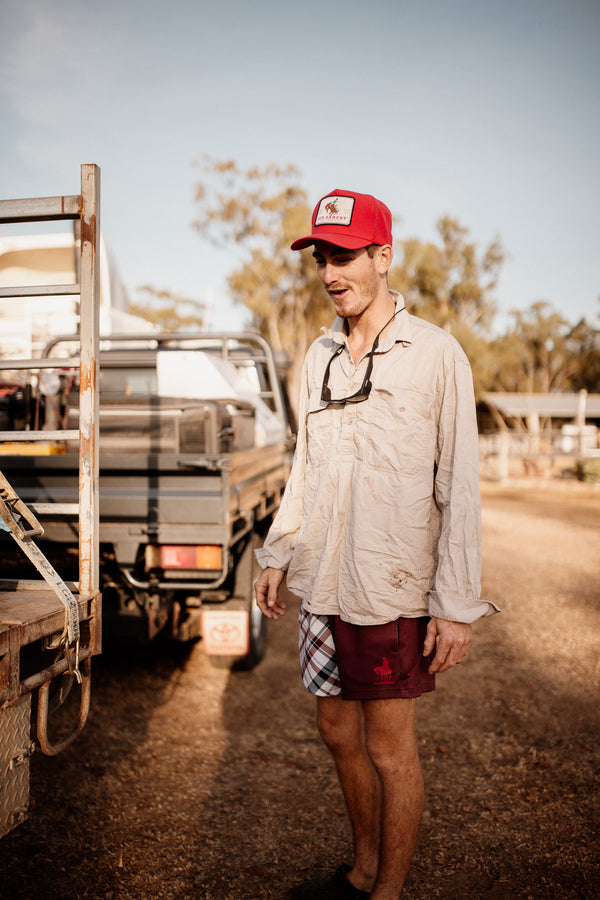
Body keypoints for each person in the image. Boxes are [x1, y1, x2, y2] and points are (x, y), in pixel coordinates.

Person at [254, 188, 498, 899]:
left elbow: (459, 485)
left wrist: (455, 605)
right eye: (323, 257)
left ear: (383, 256)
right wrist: (276, 553)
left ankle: (388, 894)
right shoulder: (319, 356)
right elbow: (305, 466)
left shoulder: (435, 354)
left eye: (347, 256)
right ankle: (362, 870)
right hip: (324, 580)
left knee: (391, 749)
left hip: (391, 586)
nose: (332, 272)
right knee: (335, 730)